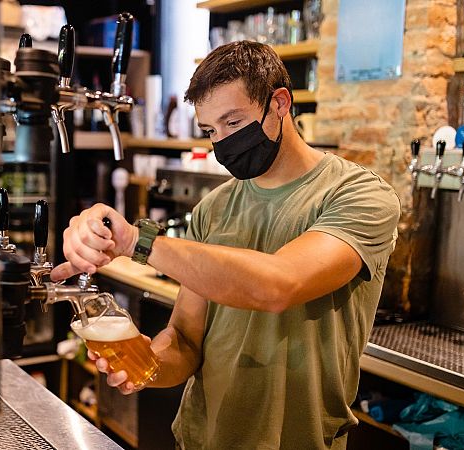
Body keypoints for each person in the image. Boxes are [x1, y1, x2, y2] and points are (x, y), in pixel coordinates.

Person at [50, 40, 401, 449]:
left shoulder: (359, 196)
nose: (223, 143)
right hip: (201, 438)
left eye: (233, 123)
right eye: (210, 131)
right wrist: (146, 365)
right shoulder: (213, 209)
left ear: (280, 103)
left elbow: (279, 284)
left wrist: (135, 241)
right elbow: (185, 340)